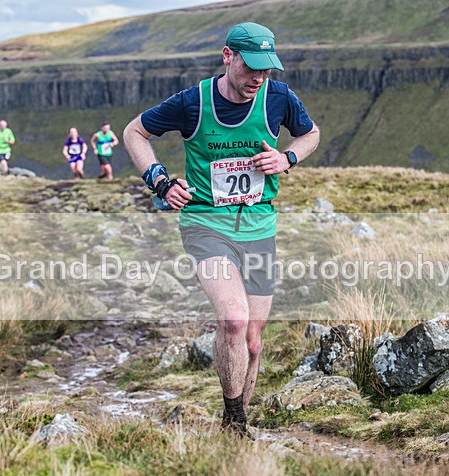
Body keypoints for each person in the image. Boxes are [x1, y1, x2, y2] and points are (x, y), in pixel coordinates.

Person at [124, 22, 320, 437]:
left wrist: (288, 158)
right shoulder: (192, 102)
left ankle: (235, 427)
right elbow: (134, 132)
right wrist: (159, 181)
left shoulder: (279, 97)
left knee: (252, 338)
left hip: (259, 224)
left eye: (267, 69)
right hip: (205, 223)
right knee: (233, 318)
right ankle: (235, 420)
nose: (259, 78)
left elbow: (311, 134)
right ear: (228, 56)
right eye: (252, 67)